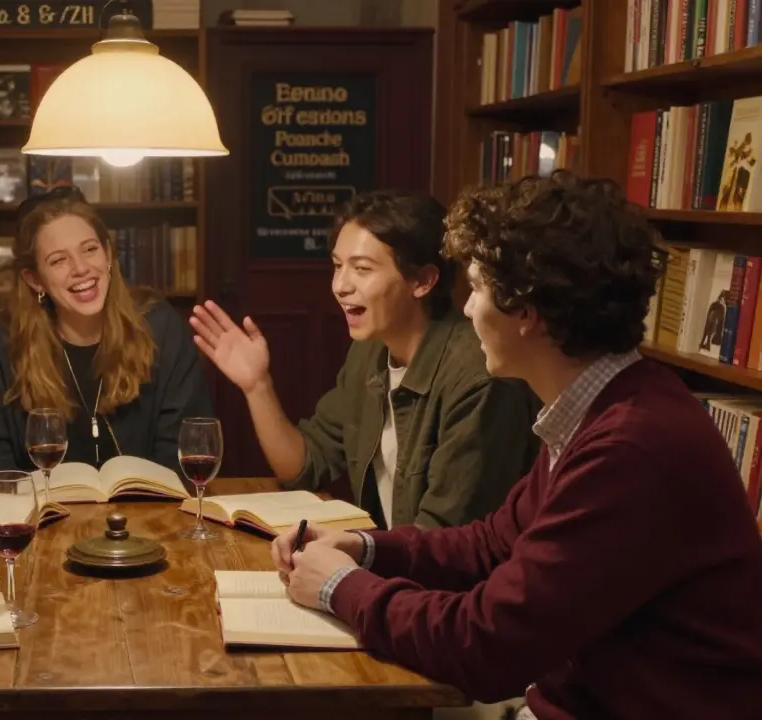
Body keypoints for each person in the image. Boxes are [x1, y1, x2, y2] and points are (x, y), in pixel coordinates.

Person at [273, 171, 762, 719]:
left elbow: (486, 645)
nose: (466, 309)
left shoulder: (630, 447)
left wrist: (341, 587)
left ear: (526, 313)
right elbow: (492, 543)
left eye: (478, 288)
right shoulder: (600, 409)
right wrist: (365, 548)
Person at [191, 190, 540, 529]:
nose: (340, 286)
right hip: (400, 568)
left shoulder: (480, 378)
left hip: (448, 582)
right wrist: (257, 386)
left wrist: (347, 568)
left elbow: (445, 540)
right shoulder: (369, 353)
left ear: (422, 281)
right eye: (337, 266)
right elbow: (304, 465)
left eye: (361, 268)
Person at [0, 186, 213, 478]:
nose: (81, 268)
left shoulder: (160, 327)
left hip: (150, 516)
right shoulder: (2, 343)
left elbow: (184, 450)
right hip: (40, 517)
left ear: (107, 254)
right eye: (58, 260)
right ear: (35, 280)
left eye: (90, 249)